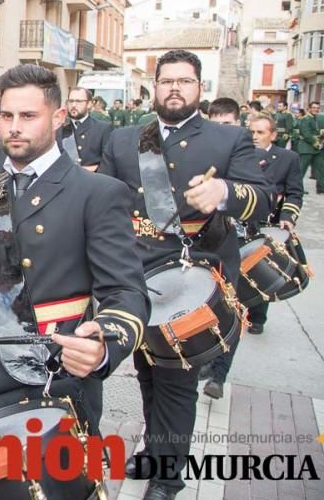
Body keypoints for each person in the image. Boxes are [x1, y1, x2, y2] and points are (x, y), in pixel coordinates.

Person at [0, 64, 148, 460]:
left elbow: (126, 292)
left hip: (60, 374)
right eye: (7, 116)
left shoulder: (98, 193)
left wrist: (104, 343)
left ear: (58, 118)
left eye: (28, 116)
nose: (14, 127)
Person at [99, 50, 271, 500]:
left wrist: (226, 191)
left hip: (193, 278)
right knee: (148, 372)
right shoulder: (123, 139)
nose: (175, 88)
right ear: (154, 87)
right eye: (167, 81)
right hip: (136, 276)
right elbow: (108, 208)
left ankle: (167, 479)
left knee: (176, 380)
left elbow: (263, 197)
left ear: (199, 89)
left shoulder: (227, 140)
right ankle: (157, 451)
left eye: (185, 81)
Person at [203, 112, 304, 399]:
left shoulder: (287, 160)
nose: (256, 136)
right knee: (219, 303)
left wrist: (287, 217)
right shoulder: (228, 153)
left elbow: (294, 193)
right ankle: (209, 357)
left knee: (240, 304)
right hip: (221, 236)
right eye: (253, 131)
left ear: (273, 134)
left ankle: (219, 374)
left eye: (262, 132)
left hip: (257, 232)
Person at [60, 87, 113, 171]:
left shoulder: (102, 128)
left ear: (89, 104)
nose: (73, 105)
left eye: (78, 101)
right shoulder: (59, 129)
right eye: (71, 101)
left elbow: (109, 162)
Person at [294, 101, 323, 194]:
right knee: (302, 170)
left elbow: (318, 132)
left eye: (317, 108)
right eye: (314, 108)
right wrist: (315, 142)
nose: (316, 109)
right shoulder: (305, 119)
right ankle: (297, 189)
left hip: (316, 148)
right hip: (306, 147)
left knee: (320, 168)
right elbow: (306, 134)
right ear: (309, 108)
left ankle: (321, 188)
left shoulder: (317, 118)